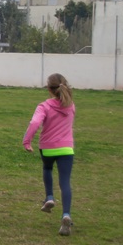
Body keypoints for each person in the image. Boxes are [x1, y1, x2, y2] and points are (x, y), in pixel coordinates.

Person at [23, 73, 76, 236]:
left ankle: (49, 197)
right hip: (67, 148)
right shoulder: (71, 105)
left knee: (47, 169)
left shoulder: (44, 106)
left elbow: (34, 123)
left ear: (48, 88)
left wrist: (27, 141)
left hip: (47, 147)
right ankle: (66, 214)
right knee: (65, 182)